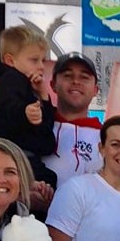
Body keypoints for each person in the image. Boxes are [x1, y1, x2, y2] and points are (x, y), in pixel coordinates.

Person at [0, 26, 58, 190]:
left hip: (23, 154)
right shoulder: (8, 77)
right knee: (47, 179)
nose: (41, 66)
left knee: (48, 179)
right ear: (10, 60)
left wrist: (43, 96)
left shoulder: (28, 86)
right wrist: (24, 113)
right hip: (10, 155)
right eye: (34, 60)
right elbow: (4, 107)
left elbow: (46, 126)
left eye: (43, 60)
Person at [44, 52, 103, 187]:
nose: (76, 81)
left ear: (95, 90)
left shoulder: (106, 138)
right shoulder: (35, 129)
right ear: (53, 84)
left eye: (84, 77)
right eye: (68, 75)